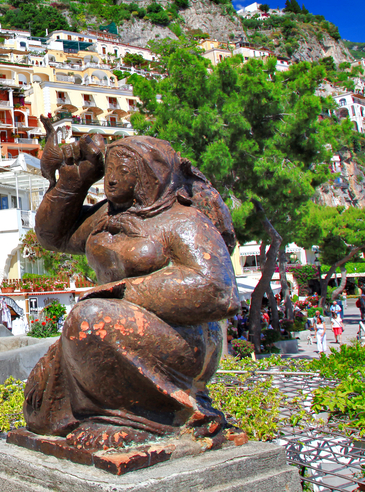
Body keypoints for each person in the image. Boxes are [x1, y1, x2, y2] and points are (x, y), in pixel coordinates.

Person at [25, 131, 240, 450]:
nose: (111, 178)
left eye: (123, 168)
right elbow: (52, 236)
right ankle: (109, 413)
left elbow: (218, 289)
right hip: (118, 326)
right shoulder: (109, 214)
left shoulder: (182, 219)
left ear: (149, 173)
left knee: (91, 316)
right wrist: (75, 180)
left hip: (182, 339)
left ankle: (138, 421)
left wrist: (119, 292)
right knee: (38, 408)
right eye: (109, 167)